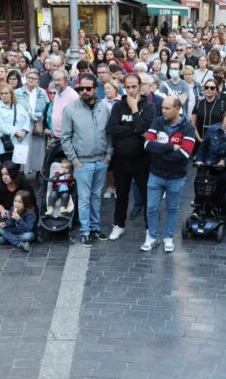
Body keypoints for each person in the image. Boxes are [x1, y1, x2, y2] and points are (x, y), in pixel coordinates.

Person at [60, 74, 112, 247]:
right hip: (82, 162)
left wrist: (108, 157)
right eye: (81, 88)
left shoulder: (104, 107)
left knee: (96, 196)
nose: (84, 91)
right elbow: (65, 138)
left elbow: (110, 134)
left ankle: (95, 227)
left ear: (95, 89)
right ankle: (85, 231)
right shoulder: (70, 109)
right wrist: (75, 161)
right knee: (84, 198)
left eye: (88, 88)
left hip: (101, 161)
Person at [141, 96, 196, 252]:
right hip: (156, 174)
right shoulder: (157, 122)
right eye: (162, 108)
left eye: (167, 108)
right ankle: (152, 236)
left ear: (177, 109)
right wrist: (170, 147)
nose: (162, 111)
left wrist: (159, 151)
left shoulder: (188, 127)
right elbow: (147, 144)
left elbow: (185, 154)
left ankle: (168, 237)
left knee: (172, 208)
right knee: (151, 207)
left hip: (176, 176)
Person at [106, 73, 155, 240]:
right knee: (121, 195)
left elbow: (144, 129)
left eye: (135, 86)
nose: (132, 90)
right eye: (128, 87)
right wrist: (134, 129)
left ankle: (150, 229)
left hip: (142, 160)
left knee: (146, 195)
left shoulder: (148, 107)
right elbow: (112, 128)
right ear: (124, 88)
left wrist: (134, 110)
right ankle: (118, 225)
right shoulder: (118, 106)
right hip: (121, 159)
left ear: (140, 86)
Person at [193, 107, 226, 213]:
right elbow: (202, 148)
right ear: (223, 118)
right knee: (201, 180)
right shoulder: (212, 129)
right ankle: (197, 208)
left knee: (222, 181)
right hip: (209, 164)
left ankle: (216, 205)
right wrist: (199, 161)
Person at [15, 69, 50, 174]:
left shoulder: (43, 92)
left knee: (38, 151)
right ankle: (22, 173)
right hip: (22, 125)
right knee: (23, 150)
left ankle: (39, 173)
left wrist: (36, 116)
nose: (31, 80)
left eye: (34, 78)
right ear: (26, 78)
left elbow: (47, 108)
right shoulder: (18, 92)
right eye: (29, 78)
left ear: (38, 80)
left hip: (37, 125)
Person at [0, 83, 31, 164]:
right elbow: (0, 125)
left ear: (11, 94)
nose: (4, 95)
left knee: (17, 170)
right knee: (6, 169)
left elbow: (27, 119)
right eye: (1, 94)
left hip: (19, 143)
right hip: (6, 145)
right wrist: (16, 132)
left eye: (6, 93)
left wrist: (23, 132)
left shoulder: (19, 106)